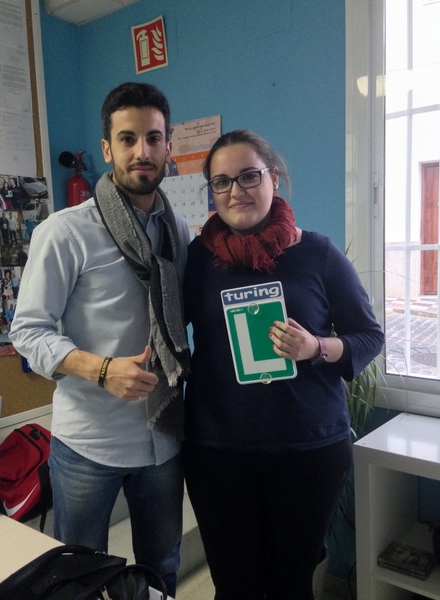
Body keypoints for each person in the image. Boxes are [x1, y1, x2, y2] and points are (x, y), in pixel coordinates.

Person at [182, 130, 384, 600]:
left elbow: (369, 336)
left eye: (249, 176)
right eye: (221, 182)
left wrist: (317, 347)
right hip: (218, 452)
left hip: (307, 452)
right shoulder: (197, 261)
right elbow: (166, 327)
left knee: (291, 587)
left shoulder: (318, 253)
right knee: (234, 587)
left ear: (273, 178)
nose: (236, 191)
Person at [10, 82, 191, 597]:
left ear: (168, 146)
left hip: (163, 438)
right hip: (90, 443)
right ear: (108, 149)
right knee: (79, 579)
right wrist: (102, 370)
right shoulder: (65, 231)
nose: (142, 151)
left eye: (153, 138)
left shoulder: (178, 231)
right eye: (128, 139)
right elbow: (27, 330)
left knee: (162, 567)